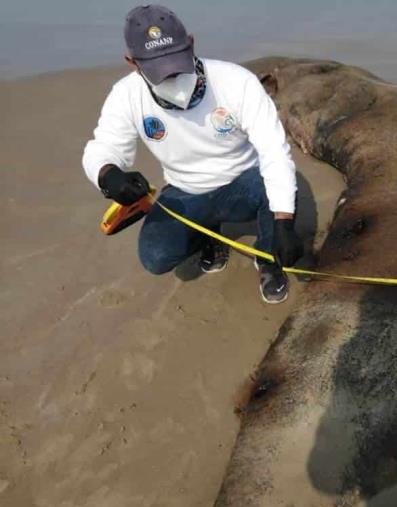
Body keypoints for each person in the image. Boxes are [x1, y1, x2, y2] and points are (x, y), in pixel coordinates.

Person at [82, 4, 302, 304]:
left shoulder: (237, 82)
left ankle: (267, 256)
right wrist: (108, 174)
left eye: (175, 61)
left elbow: (275, 152)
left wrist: (285, 222)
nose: (172, 76)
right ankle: (209, 235)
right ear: (132, 62)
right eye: (159, 69)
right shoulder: (126, 95)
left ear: (191, 43)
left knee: (279, 190)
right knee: (155, 257)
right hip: (186, 189)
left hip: (245, 182)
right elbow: (102, 147)